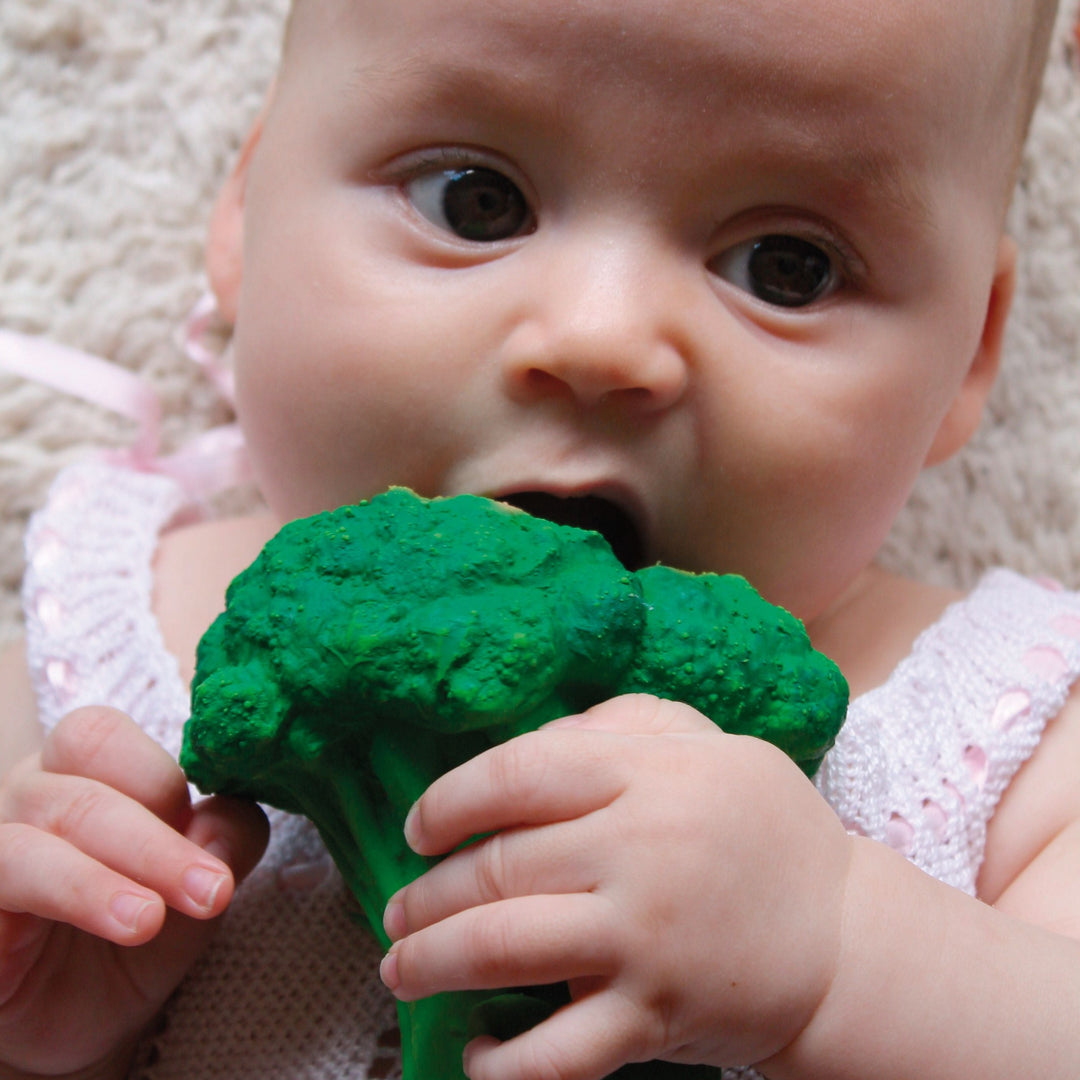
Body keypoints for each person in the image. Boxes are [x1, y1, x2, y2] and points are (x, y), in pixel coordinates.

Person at [1, 0, 1078, 1076]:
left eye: (785, 267)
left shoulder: (1007, 733)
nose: (602, 339)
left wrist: (850, 957)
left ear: (967, 354)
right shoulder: (102, 659)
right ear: (247, 207)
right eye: (476, 201)